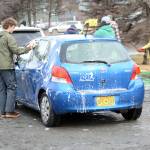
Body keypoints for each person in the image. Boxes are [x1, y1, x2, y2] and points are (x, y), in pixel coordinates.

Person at [0, 17, 34, 119]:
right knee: (11, 87)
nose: (13, 29)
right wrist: (29, 47)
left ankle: (2, 112)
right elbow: (16, 50)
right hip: (7, 67)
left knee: (2, 89)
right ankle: (9, 112)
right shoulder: (8, 37)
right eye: (13, 27)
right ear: (9, 26)